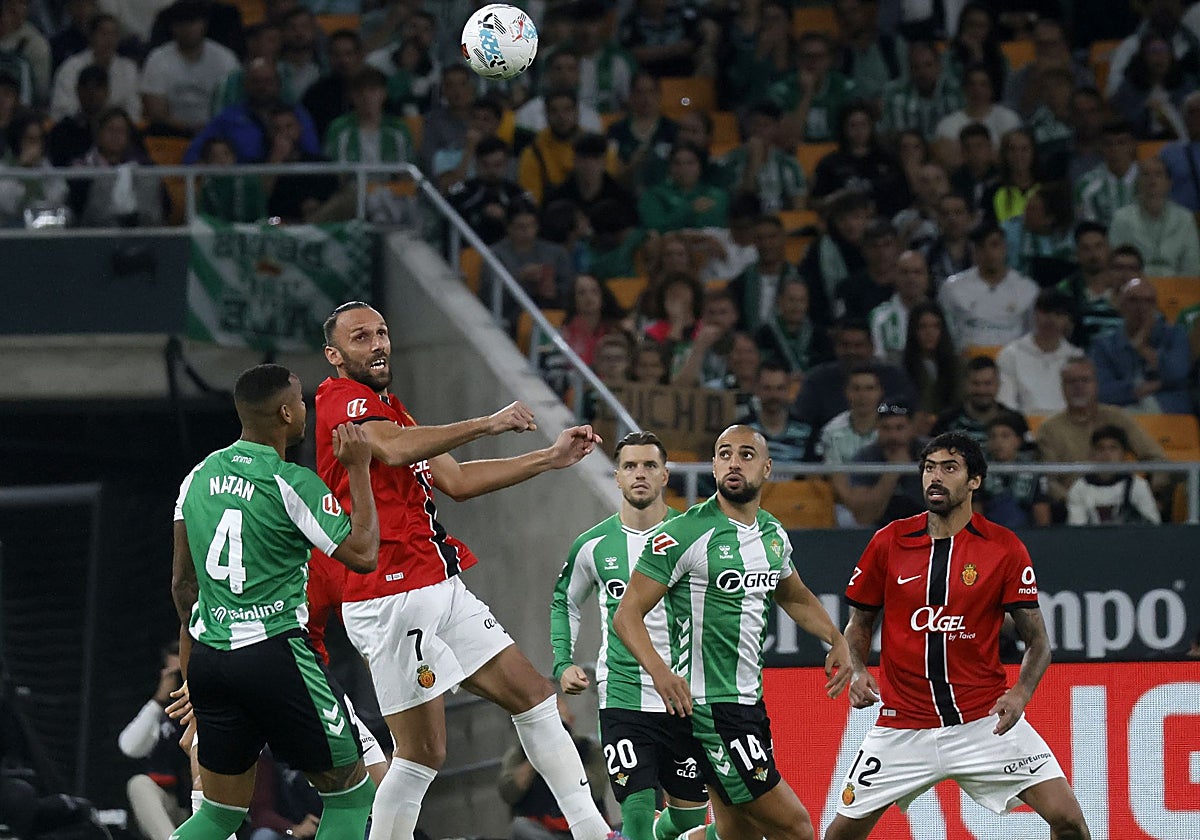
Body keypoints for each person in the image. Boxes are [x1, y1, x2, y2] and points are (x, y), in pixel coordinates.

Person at [315, 302, 618, 840]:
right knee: (421, 754)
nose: (378, 343)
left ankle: (594, 831)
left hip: (438, 583)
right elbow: (389, 449)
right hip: (389, 595)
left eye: (382, 332)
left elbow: (454, 479)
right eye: (361, 337)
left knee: (533, 695)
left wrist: (547, 458)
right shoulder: (337, 399)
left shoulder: (391, 408)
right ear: (335, 355)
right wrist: (488, 422)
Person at [825, 431, 1090, 840]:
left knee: (1069, 822)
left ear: (974, 481)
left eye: (950, 468)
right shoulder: (888, 542)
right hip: (903, 727)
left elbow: (1038, 642)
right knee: (838, 836)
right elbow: (859, 624)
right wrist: (858, 669)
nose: (936, 477)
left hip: (984, 723)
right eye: (929, 468)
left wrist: (1020, 693)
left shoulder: (1004, 548)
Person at [168, 363, 382, 840]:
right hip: (275, 655)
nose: (304, 408)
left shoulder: (197, 477)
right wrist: (359, 469)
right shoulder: (290, 481)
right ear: (286, 413)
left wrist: (195, 668)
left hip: (211, 660)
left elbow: (183, 586)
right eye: (301, 400)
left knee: (219, 813)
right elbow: (365, 554)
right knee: (352, 795)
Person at [613, 425, 854, 840]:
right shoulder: (686, 532)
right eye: (724, 454)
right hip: (709, 709)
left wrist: (837, 638)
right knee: (796, 827)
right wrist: (659, 672)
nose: (733, 463)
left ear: (767, 467)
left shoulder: (772, 535)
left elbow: (794, 595)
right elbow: (626, 613)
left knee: (737, 834)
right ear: (713, 465)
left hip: (749, 706)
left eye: (745, 454)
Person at [550, 431, 708, 840]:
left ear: (665, 476)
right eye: (630, 466)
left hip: (687, 698)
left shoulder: (695, 535)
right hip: (623, 695)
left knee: (689, 820)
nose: (640, 474)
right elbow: (564, 602)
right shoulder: (594, 544)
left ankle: (660, 834)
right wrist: (563, 661)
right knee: (635, 810)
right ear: (617, 477)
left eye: (649, 466)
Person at [1035, 356, 1167, 504]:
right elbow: (1047, 480)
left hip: (1121, 503)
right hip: (1071, 508)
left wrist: (1152, 494)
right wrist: (1073, 502)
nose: (1078, 386)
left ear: (1096, 384)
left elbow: (1156, 459)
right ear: (1062, 387)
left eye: (1085, 380)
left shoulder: (1118, 418)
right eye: (1071, 382)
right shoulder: (1049, 428)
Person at [498, 691, 610, 840]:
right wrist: (537, 755)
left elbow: (597, 788)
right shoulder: (520, 753)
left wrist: (563, 751)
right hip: (544, 830)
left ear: (571, 721)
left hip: (583, 823)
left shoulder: (588, 748)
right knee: (521, 827)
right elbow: (508, 792)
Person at [1088, 276, 1192, 414]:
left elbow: (1177, 374)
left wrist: (1142, 347)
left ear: (1156, 306)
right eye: (1133, 300)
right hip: (1120, 414)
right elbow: (1100, 391)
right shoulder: (1103, 344)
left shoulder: (1175, 335)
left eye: (1148, 301)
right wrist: (1146, 387)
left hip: (1168, 412)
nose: (1141, 307)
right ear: (1120, 305)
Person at [119, 641, 191, 839]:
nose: (180, 681)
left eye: (183, 673)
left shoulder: (211, 705)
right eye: (174, 675)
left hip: (205, 805)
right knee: (138, 784)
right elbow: (129, 747)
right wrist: (159, 700)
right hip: (172, 805)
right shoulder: (160, 712)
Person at [139, 0, 239, 137]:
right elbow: (156, 113)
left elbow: (233, 105)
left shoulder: (225, 59)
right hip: (171, 135)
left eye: (193, 22)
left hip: (217, 134)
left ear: (204, 24)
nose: (187, 28)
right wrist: (189, 129)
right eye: (181, 23)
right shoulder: (157, 59)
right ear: (173, 27)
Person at [938, 222, 1037, 352]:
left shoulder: (1027, 288)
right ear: (974, 251)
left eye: (994, 245)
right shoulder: (952, 288)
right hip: (968, 363)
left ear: (1005, 247)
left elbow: (1032, 333)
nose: (989, 253)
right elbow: (947, 333)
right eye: (981, 247)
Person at [1107, 155, 1200, 277]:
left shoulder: (1184, 219)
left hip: (1177, 288)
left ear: (1169, 183)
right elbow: (1116, 265)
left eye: (1158, 175)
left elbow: (1192, 267)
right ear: (1137, 182)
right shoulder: (1121, 218)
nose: (1152, 181)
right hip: (1134, 287)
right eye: (1146, 175)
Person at [839, 400, 927, 528]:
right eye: (886, 428)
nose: (893, 436)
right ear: (877, 429)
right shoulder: (865, 457)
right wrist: (892, 472)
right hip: (881, 530)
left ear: (912, 429)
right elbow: (864, 517)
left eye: (899, 428)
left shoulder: (933, 453)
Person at [996, 289, 1081, 416]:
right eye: (1046, 312)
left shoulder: (1077, 358)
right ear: (1035, 314)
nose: (1051, 320)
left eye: (1058, 314)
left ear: (1068, 320)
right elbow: (1006, 402)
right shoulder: (1010, 354)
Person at [1066, 425, 1162, 526]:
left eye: (1113, 448)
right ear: (1092, 454)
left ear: (1124, 454)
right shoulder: (1079, 487)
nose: (1106, 454)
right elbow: (1076, 530)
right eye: (1100, 448)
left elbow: (1153, 525)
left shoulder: (1138, 485)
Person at [931, 355, 1026, 446]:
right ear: (965, 385)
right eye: (975, 384)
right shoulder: (946, 421)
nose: (982, 390)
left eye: (988, 383)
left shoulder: (1016, 421)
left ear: (998, 385)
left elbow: (1028, 459)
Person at [1055, 222, 1122, 350]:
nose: (1093, 254)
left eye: (1099, 246)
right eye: (1086, 248)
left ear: (1109, 249)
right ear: (1077, 254)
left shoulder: (1126, 289)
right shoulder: (1064, 291)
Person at [978, 413, 1051, 528]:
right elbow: (975, 513)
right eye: (993, 436)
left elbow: (1042, 517)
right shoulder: (979, 471)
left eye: (1005, 436)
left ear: (1018, 440)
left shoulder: (1033, 471)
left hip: (1026, 536)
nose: (998, 442)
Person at [745, 361, 815, 462]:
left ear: (788, 390)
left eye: (780, 388)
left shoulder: (807, 432)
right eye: (767, 388)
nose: (774, 395)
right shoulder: (740, 432)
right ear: (756, 389)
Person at [870, 249, 931, 364]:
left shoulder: (941, 314)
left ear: (927, 277)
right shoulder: (879, 317)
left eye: (917, 272)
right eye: (904, 272)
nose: (911, 278)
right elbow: (878, 359)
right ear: (894, 276)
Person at [1075, 121, 1139, 228]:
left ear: (1133, 145)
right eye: (1108, 144)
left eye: (1121, 142)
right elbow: (1088, 229)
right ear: (1100, 147)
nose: (1115, 149)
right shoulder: (1085, 185)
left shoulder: (1151, 177)